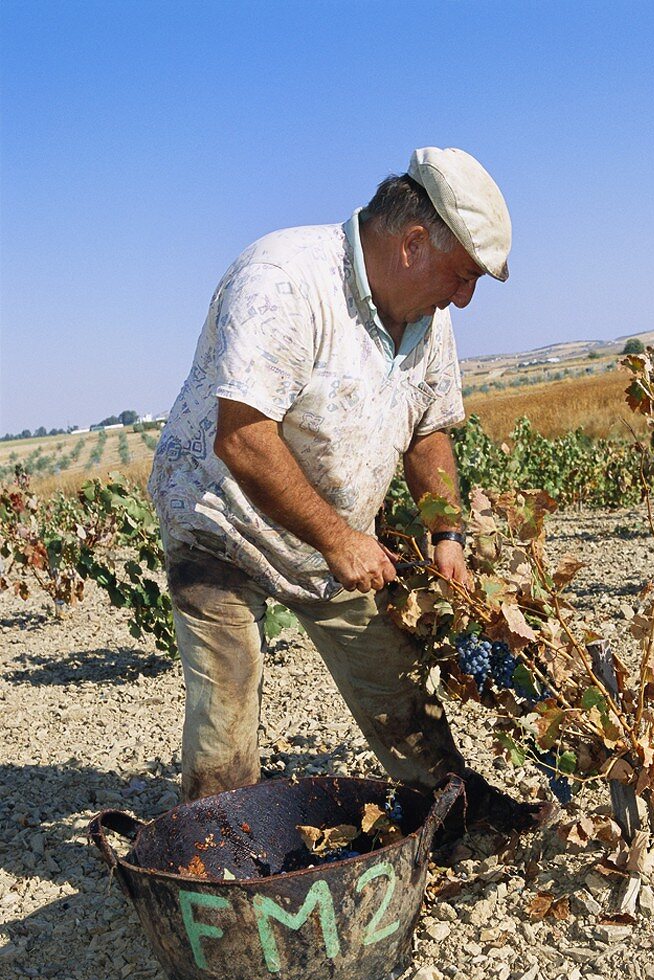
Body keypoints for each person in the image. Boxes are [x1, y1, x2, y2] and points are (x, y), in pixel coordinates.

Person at [149, 146, 537, 837]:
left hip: (328, 535)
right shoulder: (281, 280)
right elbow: (240, 438)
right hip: (220, 517)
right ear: (414, 242)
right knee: (227, 695)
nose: (463, 297)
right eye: (462, 275)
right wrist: (337, 537)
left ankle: (453, 814)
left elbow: (427, 434)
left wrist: (446, 533)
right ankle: (213, 854)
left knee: (394, 675)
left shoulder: (426, 315)